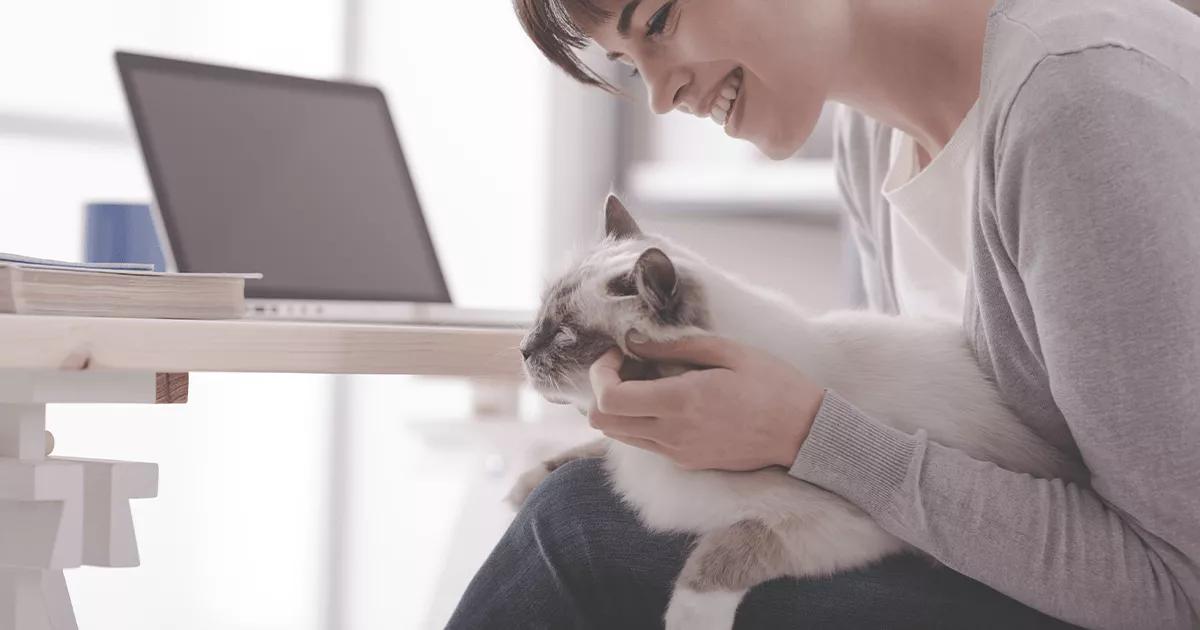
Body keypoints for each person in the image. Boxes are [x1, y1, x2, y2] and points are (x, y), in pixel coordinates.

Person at [448, 0, 1200, 627]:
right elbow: (881, 493)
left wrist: (812, 432)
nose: (662, 94)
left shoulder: (1078, 107)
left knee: (577, 528)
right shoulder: (874, 137)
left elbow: (1180, 586)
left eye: (661, 18)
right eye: (628, 61)